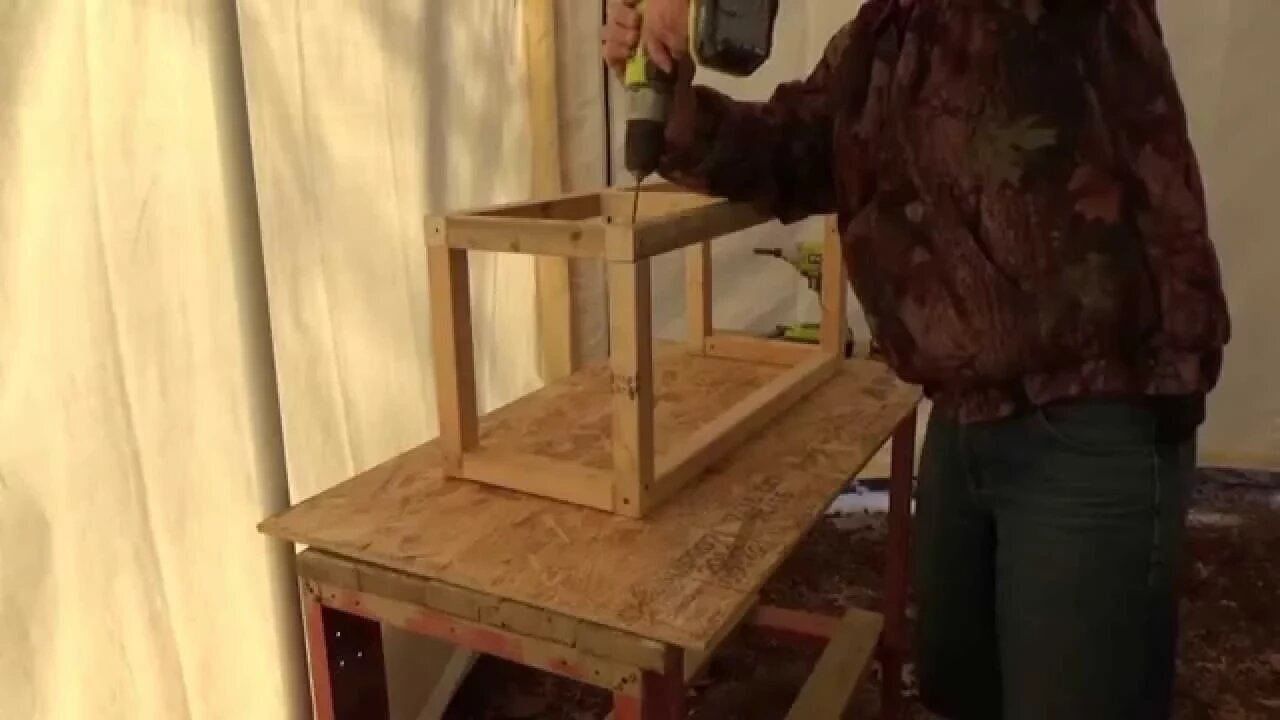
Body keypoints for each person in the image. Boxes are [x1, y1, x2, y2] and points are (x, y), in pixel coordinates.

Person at [602, 1, 1231, 718]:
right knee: (960, 686)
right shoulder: (883, 37)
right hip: (967, 415)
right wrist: (676, 102)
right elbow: (794, 148)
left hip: (1095, 412)